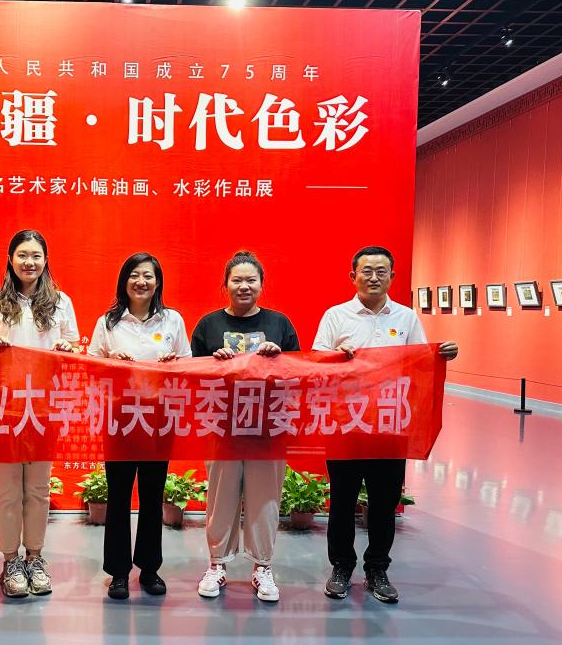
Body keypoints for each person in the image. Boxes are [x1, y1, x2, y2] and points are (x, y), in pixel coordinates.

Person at [313, 245, 458, 604]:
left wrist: (441, 355)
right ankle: (341, 567)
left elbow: (420, 362)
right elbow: (316, 361)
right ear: (353, 276)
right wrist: (335, 358)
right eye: (367, 271)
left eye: (381, 271)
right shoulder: (336, 316)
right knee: (342, 501)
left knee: (383, 502)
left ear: (392, 276)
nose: (374, 277)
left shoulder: (406, 318)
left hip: (391, 425)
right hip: (346, 425)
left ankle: (377, 568)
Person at [190, 251, 300, 602]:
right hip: (221, 426)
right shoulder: (208, 325)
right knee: (220, 498)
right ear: (225, 285)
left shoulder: (280, 323)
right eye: (236, 280)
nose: (244, 286)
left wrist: (279, 358)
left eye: (251, 280)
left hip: (268, 428)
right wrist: (214, 363)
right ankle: (217, 564)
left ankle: (262, 567)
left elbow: (299, 372)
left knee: (265, 499)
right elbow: (190, 376)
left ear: (261, 285)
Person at [0, 229, 79, 598]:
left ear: (45, 260)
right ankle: (10, 560)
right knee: (7, 490)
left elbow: (75, 348)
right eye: (22, 255)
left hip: (44, 407)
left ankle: (35, 557)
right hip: (5, 407)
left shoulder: (61, 302)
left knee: (37, 488)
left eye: (36, 255)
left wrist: (68, 347)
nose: (29, 262)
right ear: (10, 259)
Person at [87, 252, 191, 600]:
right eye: (134, 275)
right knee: (118, 496)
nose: (141, 281)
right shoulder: (108, 322)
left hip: (159, 420)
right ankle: (118, 572)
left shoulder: (172, 320)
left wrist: (173, 364)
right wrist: (109, 361)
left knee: (151, 495)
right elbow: (91, 367)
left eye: (148, 275)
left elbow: (189, 366)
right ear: (124, 281)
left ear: (157, 282)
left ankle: (149, 568)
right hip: (120, 419)